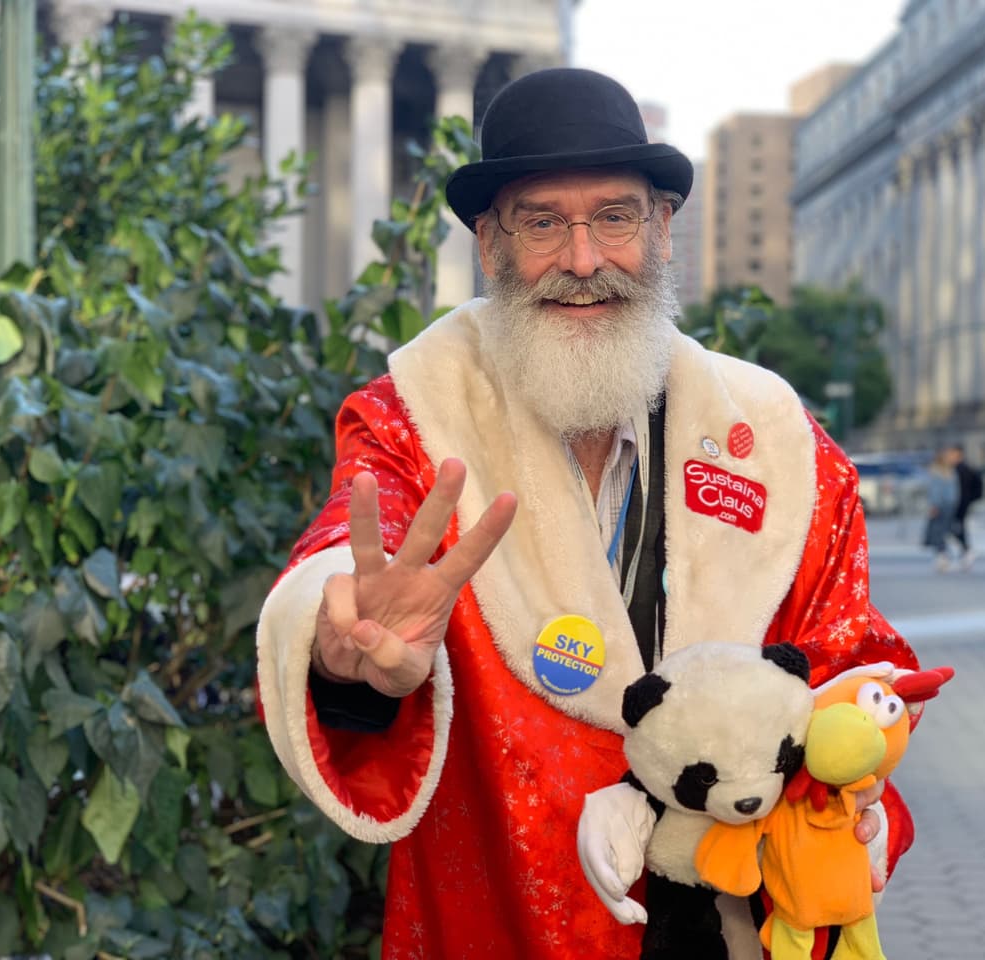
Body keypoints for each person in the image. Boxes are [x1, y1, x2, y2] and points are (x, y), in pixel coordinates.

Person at [255, 67, 920, 959]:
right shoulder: (411, 416)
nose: (581, 259)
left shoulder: (772, 436)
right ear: (489, 242)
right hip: (507, 912)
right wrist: (346, 658)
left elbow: (852, 656)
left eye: (613, 216)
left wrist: (857, 781)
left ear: (662, 228)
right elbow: (349, 548)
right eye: (542, 223)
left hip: (746, 916)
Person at [947, 443, 984, 570]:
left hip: (960, 503)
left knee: (953, 527)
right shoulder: (964, 468)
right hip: (964, 502)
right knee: (958, 527)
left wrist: (969, 499)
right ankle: (966, 551)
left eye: (951, 454)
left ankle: (967, 550)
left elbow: (974, 486)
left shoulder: (960, 469)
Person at [922, 448, 959, 572]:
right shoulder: (950, 472)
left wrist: (934, 505)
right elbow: (954, 492)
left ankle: (942, 556)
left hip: (939, 506)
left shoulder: (936, 473)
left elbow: (935, 492)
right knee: (943, 531)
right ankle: (944, 555)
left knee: (937, 532)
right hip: (949, 505)